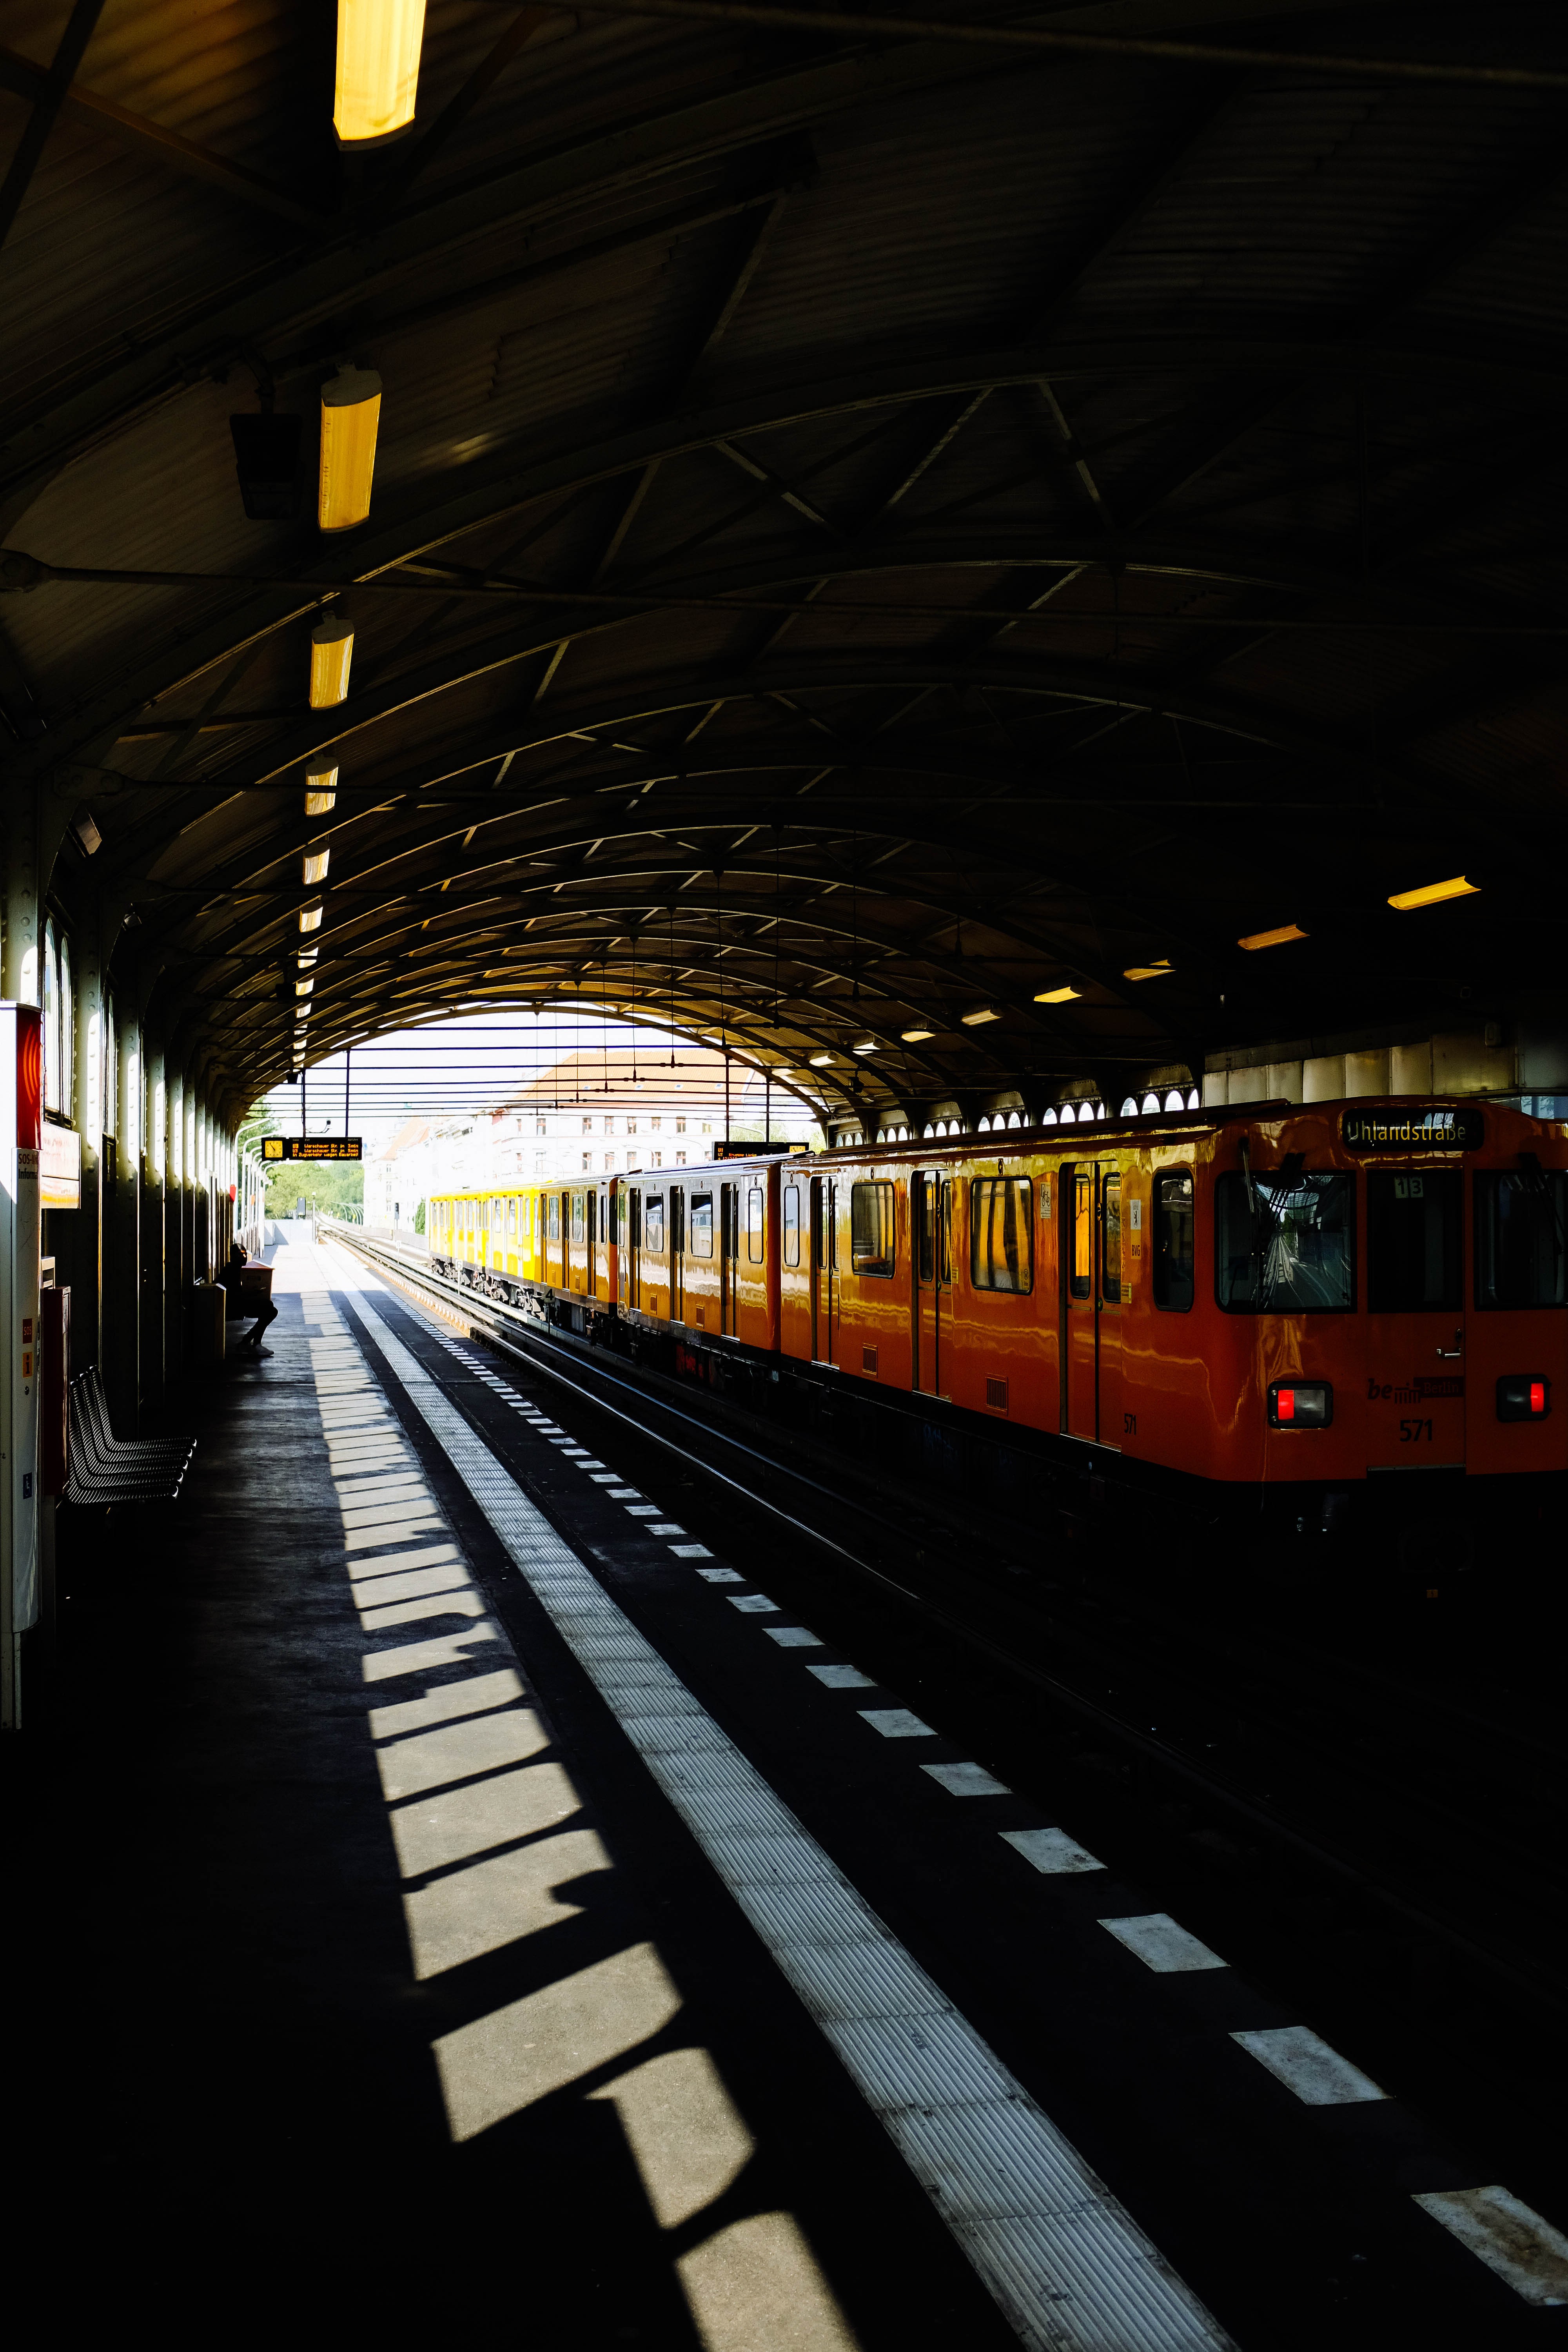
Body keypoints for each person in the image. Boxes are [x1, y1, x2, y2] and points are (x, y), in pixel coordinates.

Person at [221, 1241, 278, 1354]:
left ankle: (248, 1342)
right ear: (233, 1256)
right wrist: (253, 1293)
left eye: (245, 1254)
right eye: (241, 1254)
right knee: (270, 1310)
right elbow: (235, 1296)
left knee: (269, 1307)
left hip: (235, 1304)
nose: (244, 1257)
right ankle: (253, 1344)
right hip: (232, 1308)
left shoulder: (236, 1269)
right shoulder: (231, 1271)